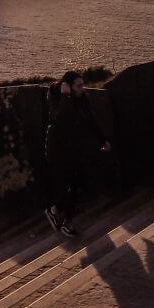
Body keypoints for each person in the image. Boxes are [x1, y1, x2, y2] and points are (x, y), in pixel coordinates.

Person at [43, 71, 111, 237]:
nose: (83, 88)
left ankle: (57, 211)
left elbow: (91, 120)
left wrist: (103, 140)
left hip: (75, 148)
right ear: (68, 86)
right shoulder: (56, 96)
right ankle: (64, 219)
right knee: (73, 183)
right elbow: (58, 119)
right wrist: (66, 97)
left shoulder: (82, 98)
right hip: (58, 150)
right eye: (79, 85)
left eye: (83, 84)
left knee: (78, 183)